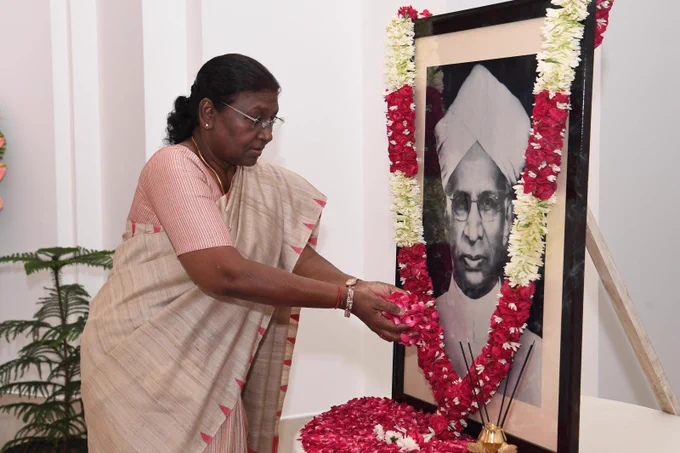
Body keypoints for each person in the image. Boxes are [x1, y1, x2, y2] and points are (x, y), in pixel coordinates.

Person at [80, 53, 407, 453]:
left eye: (273, 120)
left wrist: (357, 285)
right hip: (141, 366)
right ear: (208, 112)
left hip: (210, 372)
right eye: (256, 118)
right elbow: (225, 274)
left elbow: (290, 254)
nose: (267, 134)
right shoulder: (174, 167)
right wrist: (348, 299)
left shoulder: (256, 179)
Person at [434, 64, 543, 406]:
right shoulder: (422, 329)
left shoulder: (537, 356)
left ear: (511, 215)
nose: (473, 231)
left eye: (490, 203)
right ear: (446, 213)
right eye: (462, 203)